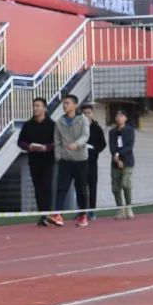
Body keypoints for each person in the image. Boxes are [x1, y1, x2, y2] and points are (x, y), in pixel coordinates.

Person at [50, 94, 89, 228]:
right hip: (65, 161)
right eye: (64, 103)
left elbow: (85, 136)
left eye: (67, 103)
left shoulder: (83, 119)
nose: (64, 105)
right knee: (61, 188)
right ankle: (58, 215)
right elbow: (57, 141)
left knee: (81, 189)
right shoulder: (59, 121)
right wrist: (58, 157)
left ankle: (83, 215)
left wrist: (77, 144)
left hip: (80, 160)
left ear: (75, 105)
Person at [17, 98, 56, 226]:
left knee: (46, 187)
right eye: (34, 106)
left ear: (45, 108)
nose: (35, 108)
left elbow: (57, 142)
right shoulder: (28, 125)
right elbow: (20, 142)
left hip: (48, 160)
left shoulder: (52, 125)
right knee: (38, 189)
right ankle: (42, 215)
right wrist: (29, 147)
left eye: (38, 106)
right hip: (33, 161)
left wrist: (47, 148)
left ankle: (48, 214)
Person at [80, 102, 106, 220]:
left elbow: (103, 144)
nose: (86, 115)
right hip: (79, 161)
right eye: (84, 113)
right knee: (81, 186)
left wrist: (95, 150)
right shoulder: (78, 127)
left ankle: (91, 211)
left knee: (92, 186)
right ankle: (81, 210)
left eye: (88, 113)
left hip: (92, 161)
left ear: (92, 113)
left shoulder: (97, 128)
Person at [108, 109, 136, 219]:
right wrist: (117, 159)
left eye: (121, 116)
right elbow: (112, 146)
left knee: (126, 184)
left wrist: (119, 154)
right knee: (115, 187)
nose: (119, 118)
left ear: (125, 118)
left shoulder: (130, 131)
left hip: (128, 161)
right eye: (117, 116)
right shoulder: (112, 132)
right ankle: (120, 208)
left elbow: (129, 147)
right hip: (115, 162)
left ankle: (129, 206)